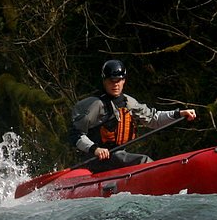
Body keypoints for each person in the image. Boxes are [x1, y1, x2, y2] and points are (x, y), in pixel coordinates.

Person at [69, 59, 197, 172]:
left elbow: (153, 119)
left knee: (122, 156)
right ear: (104, 81)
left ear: (124, 80)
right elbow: (76, 135)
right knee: (143, 160)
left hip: (117, 156)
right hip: (95, 158)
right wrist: (95, 149)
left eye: (118, 80)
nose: (115, 84)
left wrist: (178, 113)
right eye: (111, 81)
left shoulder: (128, 102)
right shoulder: (94, 105)